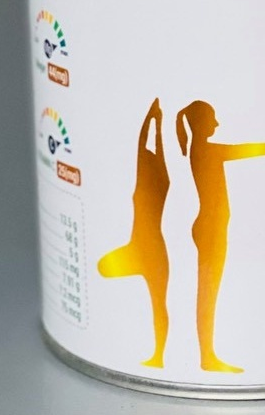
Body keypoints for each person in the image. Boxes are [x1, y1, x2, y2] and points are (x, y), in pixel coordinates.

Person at [176, 99, 265, 373]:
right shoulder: (205, 150)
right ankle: (206, 357)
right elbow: (246, 150)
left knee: (209, 291)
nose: (217, 123)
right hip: (210, 229)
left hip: (211, 226)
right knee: (208, 292)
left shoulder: (201, 148)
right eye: (212, 118)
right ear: (200, 123)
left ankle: (207, 354)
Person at [97, 98, 170, 368]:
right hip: (140, 248)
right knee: (157, 303)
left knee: (159, 303)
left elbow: (149, 149)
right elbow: (144, 148)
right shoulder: (151, 177)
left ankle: (159, 355)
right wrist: (153, 119)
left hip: (151, 250)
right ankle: (155, 353)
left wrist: (154, 121)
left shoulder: (158, 179)